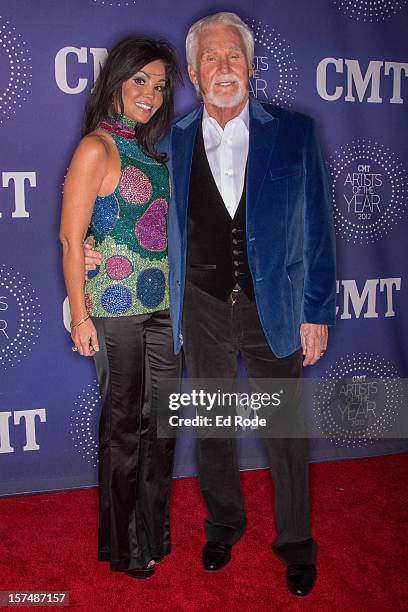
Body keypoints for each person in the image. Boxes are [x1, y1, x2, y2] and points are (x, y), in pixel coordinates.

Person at [85, 12, 336, 597]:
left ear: (249, 67)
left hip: (273, 303)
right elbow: (130, 205)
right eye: (212, 60)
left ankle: (296, 542)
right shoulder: (169, 141)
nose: (224, 69)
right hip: (199, 305)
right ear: (194, 74)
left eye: (235, 57)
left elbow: (318, 229)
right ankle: (224, 524)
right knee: (215, 428)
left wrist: (317, 310)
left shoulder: (295, 132)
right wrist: (91, 245)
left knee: (285, 432)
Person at [59, 37, 181, 580]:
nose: (151, 94)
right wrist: (82, 316)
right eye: (141, 81)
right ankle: (127, 547)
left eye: (159, 86)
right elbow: (70, 240)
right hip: (114, 310)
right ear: (116, 82)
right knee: (125, 430)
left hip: (162, 309)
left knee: (162, 426)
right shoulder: (95, 148)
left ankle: (153, 533)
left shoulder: (151, 151)